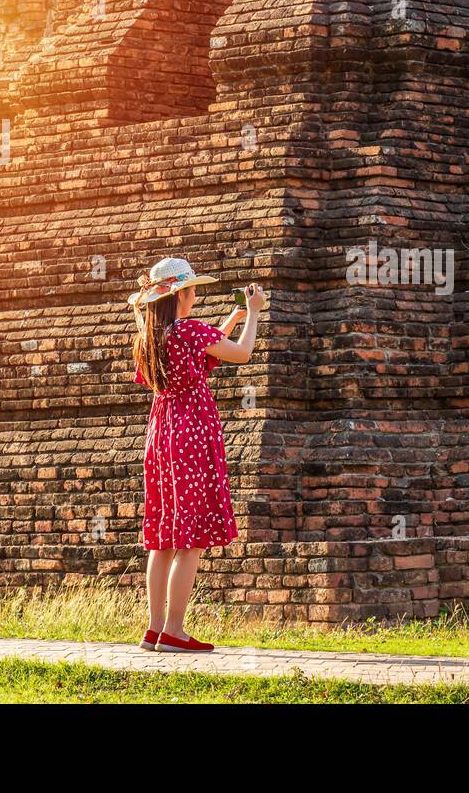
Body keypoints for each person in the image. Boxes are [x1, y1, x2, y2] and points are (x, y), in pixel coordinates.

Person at [128, 256, 267, 652]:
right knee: (190, 538)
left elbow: (206, 349)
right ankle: (175, 629)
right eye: (191, 291)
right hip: (192, 434)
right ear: (180, 295)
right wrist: (254, 315)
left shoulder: (151, 337)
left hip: (162, 433)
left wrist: (235, 315)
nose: (194, 296)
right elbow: (239, 354)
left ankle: (154, 629)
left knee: (163, 538)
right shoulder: (188, 331)